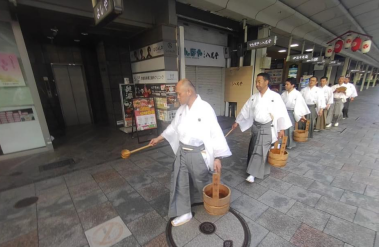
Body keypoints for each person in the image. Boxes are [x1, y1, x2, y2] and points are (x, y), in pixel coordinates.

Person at [149, 79, 231, 227]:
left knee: (203, 181)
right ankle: (184, 212)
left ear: (189, 92)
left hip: (197, 153)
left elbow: (215, 133)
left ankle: (217, 200)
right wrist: (159, 138)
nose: (177, 97)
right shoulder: (181, 110)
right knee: (181, 181)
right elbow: (173, 128)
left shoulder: (205, 108)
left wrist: (218, 157)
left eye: (179, 94)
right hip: (182, 152)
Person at [232, 73, 291, 183]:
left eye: (259, 81)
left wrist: (281, 129)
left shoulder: (275, 97)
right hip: (256, 127)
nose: (257, 84)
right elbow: (245, 110)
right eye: (256, 82)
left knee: (260, 149)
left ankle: (252, 174)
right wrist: (237, 121)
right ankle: (255, 169)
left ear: (266, 82)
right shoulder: (254, 97)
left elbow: (281, 113)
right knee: (253, 148)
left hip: (267, 127)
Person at [281, 78, 310, 149]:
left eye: (287, 84)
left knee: (290, 128)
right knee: (282, 128)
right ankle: (283, 143)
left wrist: (301, 115)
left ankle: (290, 143)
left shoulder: (297, 94)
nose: (285, 86)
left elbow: (300, 105)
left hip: (292, 112)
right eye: (285, 84)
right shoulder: (284, 94)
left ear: (292, 85)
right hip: (283, 112)